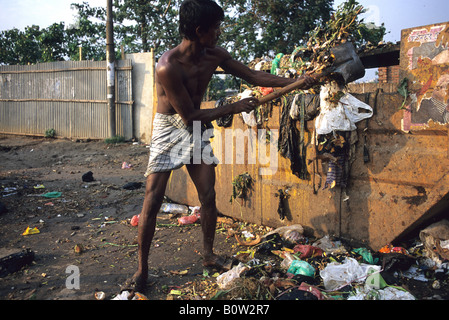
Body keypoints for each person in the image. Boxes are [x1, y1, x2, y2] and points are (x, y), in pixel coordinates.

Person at [125, 0, 316, 293]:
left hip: (198, 126)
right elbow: (188, 115)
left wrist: (296, 81)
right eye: (215, 28)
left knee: (209, 196)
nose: (219, 33)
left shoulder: (214, 54)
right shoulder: (168, 66)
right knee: (152, 200)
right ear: (199, 30)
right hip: (170, 128)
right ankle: (142, 268)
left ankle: (209, 255)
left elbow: (253, 76)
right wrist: (234, 107)